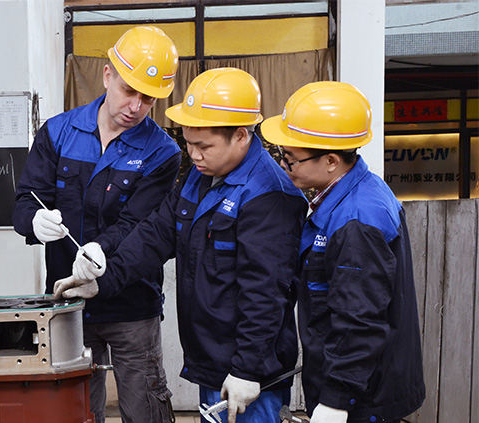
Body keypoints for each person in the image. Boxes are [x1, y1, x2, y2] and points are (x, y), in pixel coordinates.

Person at [55, 68, 309, 423]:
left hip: (247, 375)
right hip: (211, 361)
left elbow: (265, 293)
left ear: (240, 136)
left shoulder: (269, 195)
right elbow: (156, 234)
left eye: (203, 146)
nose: (194, 154)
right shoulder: (201, 175)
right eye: (189, 143)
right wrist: (103, 281)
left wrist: (247, 370)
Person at [12, 26, 181, 423]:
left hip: (131, 305)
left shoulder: (162, 153)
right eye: (129, 90)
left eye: (148, 98)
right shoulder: (58, 132)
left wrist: (101, 249)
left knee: (145, 409)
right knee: (75, 411)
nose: (136, 106)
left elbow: (139, 224)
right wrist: (35, 221)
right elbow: (25, 202)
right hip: (68, 302)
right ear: (107, 76)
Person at [260, 81, 426, 423]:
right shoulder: (350, 195)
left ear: (331, 161)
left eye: (290, 159)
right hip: (358, 385)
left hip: (363, 398)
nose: (284, 165)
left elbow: (359, 320)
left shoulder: (357, 219)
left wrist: (336, 399)